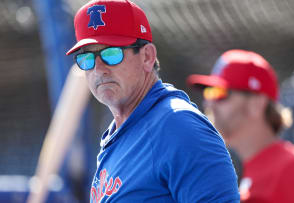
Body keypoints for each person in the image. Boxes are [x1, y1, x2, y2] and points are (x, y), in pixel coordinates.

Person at [66, 0, 240, 202]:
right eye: (86, 58)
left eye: (111, 54)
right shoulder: (120, 134)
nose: (98, 69)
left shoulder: (178, 126)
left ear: (147, 56)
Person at [187, 49, 294, 203]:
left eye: (219, 93)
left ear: (256, 104)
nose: (208, 103)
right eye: (208, 93)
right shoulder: (256, 168)